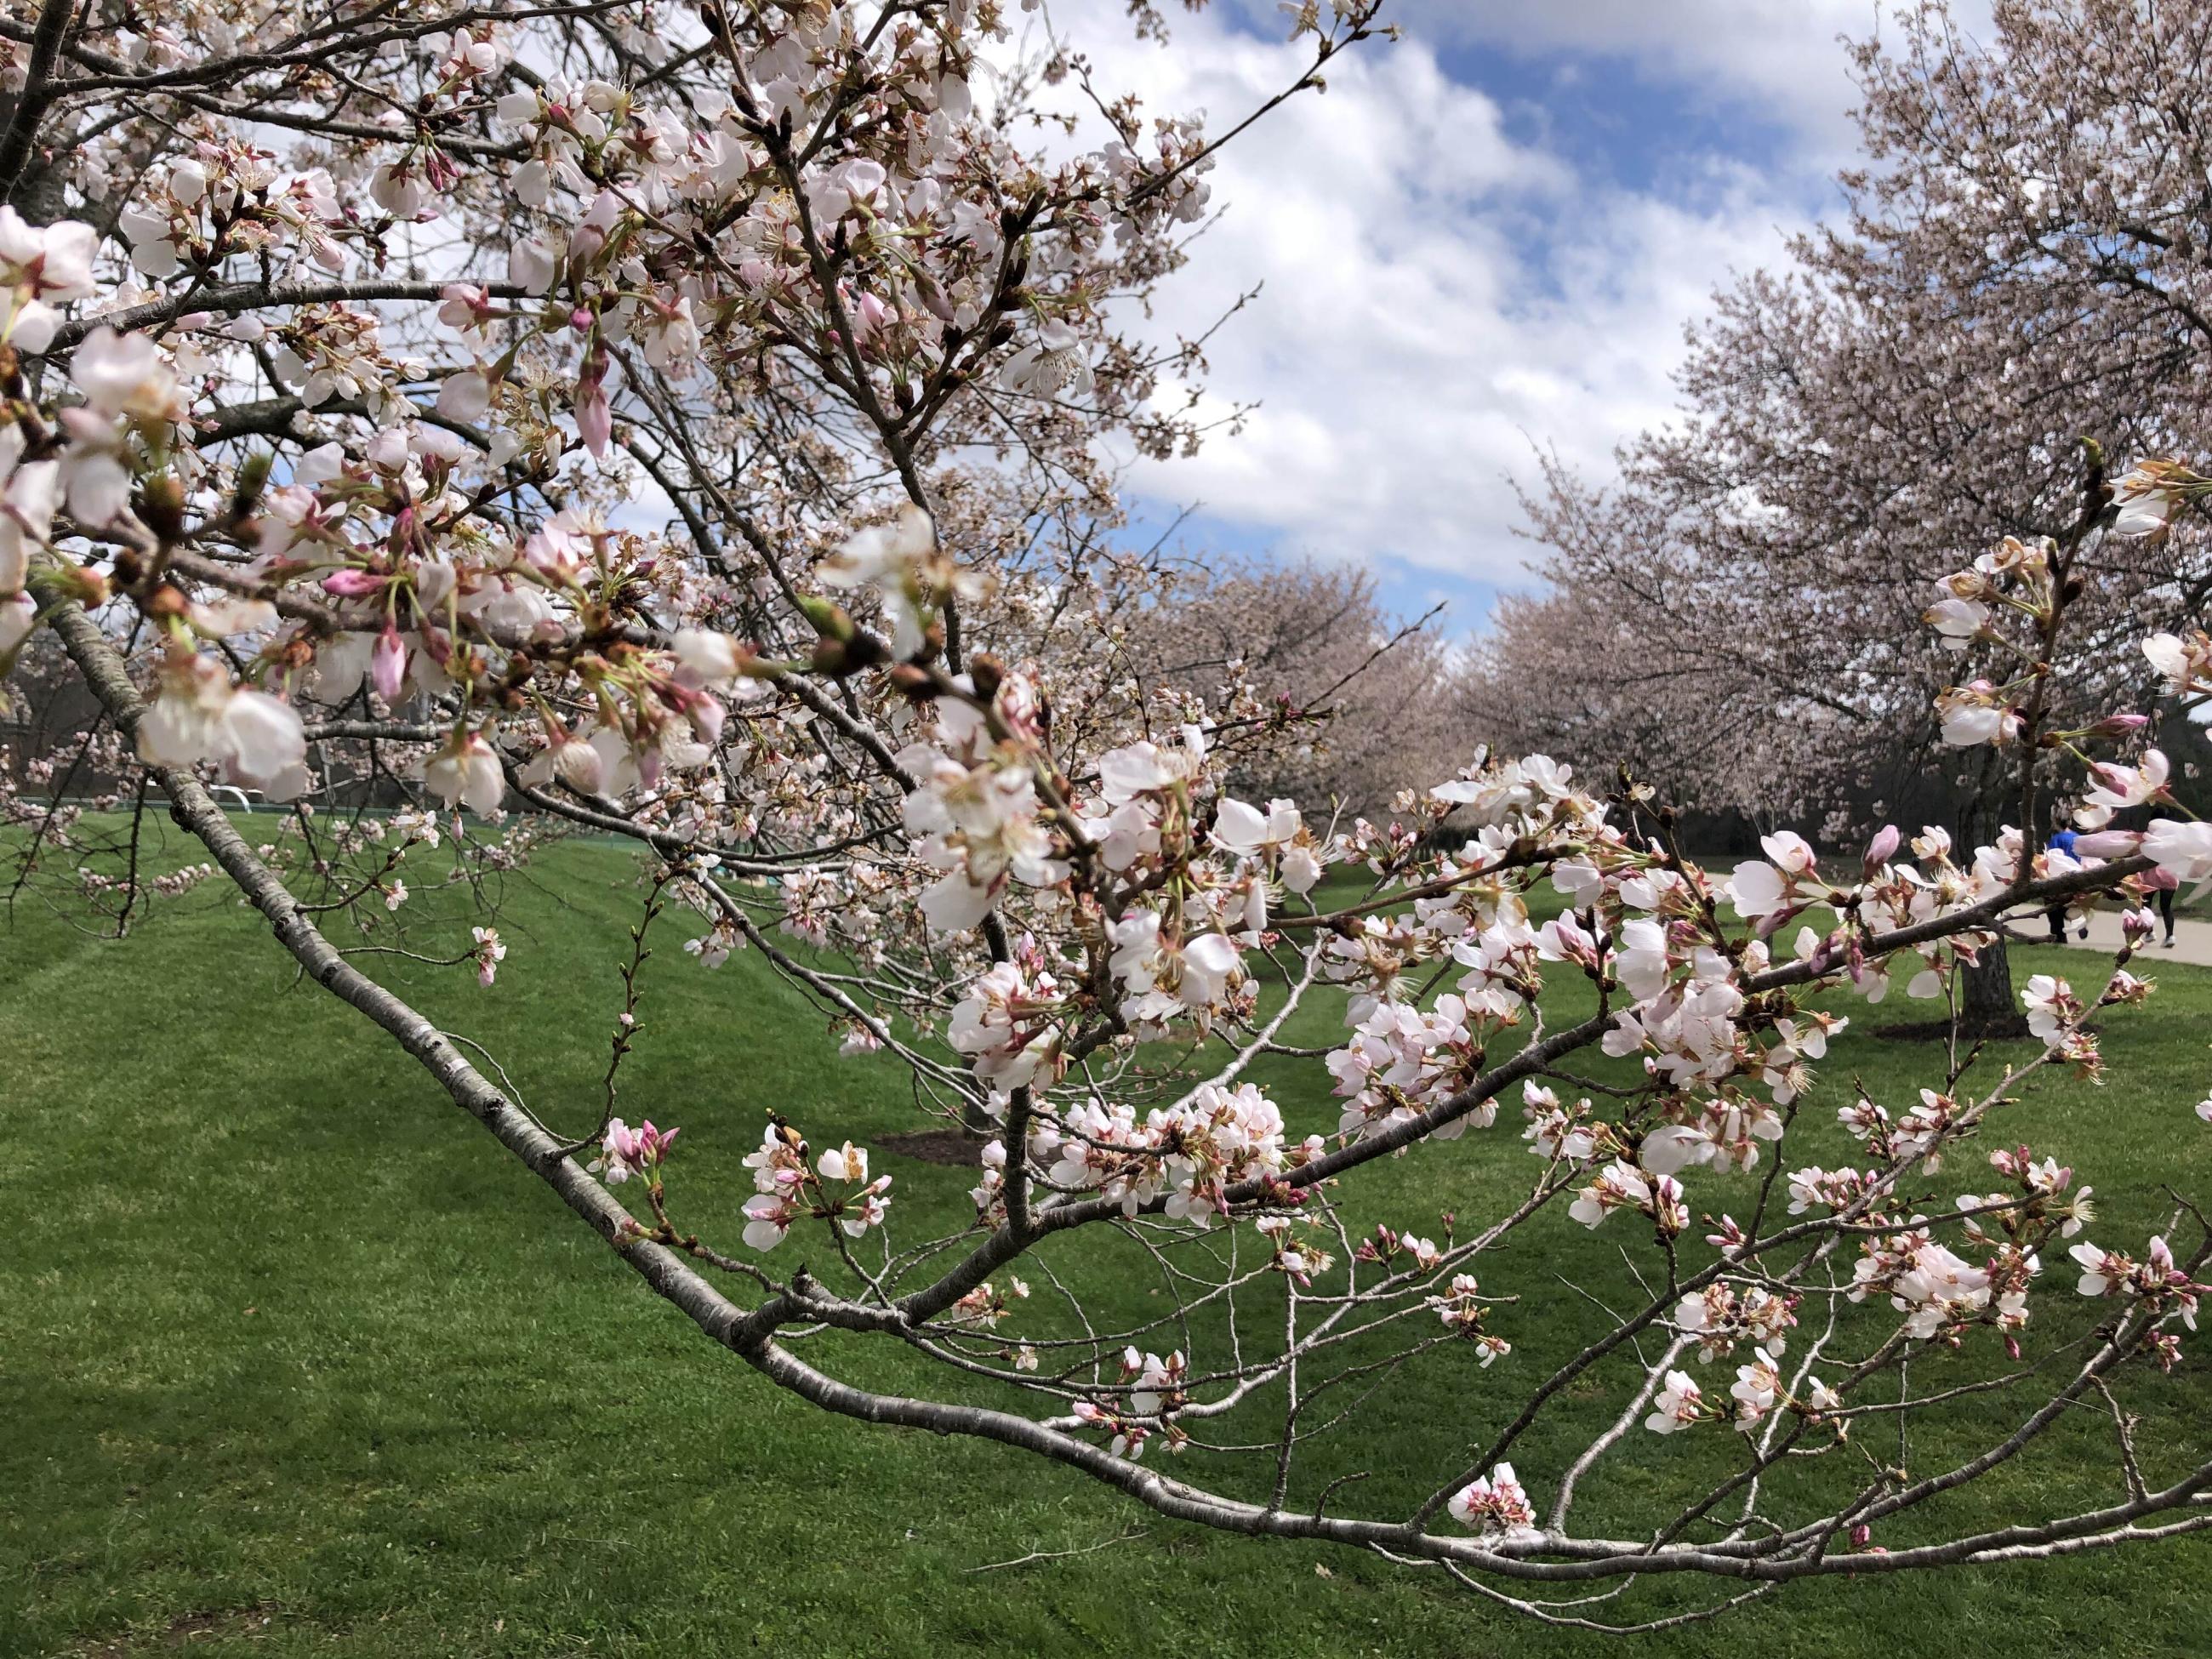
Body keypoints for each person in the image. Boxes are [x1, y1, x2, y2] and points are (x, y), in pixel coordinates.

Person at [2045, 824, 2081, 944]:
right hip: (2077, 874)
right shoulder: (2077, 837)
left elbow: (2053, 857)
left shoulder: (2056, 839)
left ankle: (2059, 936)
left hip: (2060, 875)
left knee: (2054, 909)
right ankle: (2079, 922)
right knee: (2072, 903)